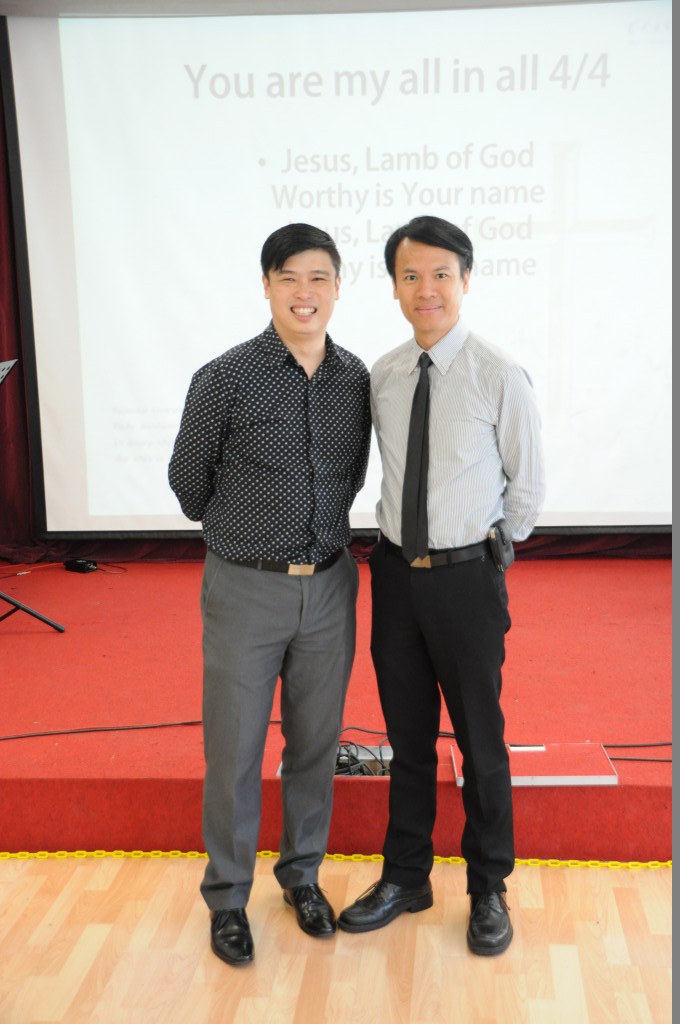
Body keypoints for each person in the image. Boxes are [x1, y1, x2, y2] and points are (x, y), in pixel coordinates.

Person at [337, 215, 545, 956]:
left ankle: (488, 887)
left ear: (466, 279)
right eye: (411, 276)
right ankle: (406, 877)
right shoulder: (384, 375)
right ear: (394, 287)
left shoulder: (499, 373)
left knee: (480, 738)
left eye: (441, 275)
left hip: (465, 582)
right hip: (396, 577)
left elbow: (527, 489)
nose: (426, 289)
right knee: (407, 737)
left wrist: (483, 557)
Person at [169, 223, 371, 966]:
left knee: (316, 744)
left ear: (338, 286)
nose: (304, 292)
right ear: (266, 285)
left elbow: (352, 475)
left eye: (319, 277)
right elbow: (188, 484)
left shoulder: (356, 378)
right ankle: (227, 897)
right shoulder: (224, 376)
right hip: (245, 588)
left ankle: (302, 877)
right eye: (289, 277)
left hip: (330, 586)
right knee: (234, 750)